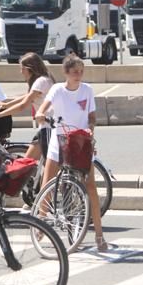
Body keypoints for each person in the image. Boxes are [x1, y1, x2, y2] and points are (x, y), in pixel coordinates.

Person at [34, 53, 109, 251]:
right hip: (60, 141)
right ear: (66, 73)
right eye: (75, 72)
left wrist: (91, 129)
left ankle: (99, 236)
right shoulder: (57, 90)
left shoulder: (87, 90)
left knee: (90, 187)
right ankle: (40, 222)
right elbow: (44, 107)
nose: (79, 75)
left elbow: (92, 116)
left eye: (81, 71)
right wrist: (41, 114)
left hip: (82, 142)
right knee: (47, 185)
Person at [0, 52, 53, 160]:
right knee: (28, 162)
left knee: (36, 164)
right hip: (45, 127)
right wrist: (6, 104)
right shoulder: (44, 79)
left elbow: (23, 105)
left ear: (30, 68)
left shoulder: (41, 82)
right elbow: (27, 97)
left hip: (48, 127)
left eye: (22, 69)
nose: (21, 72)